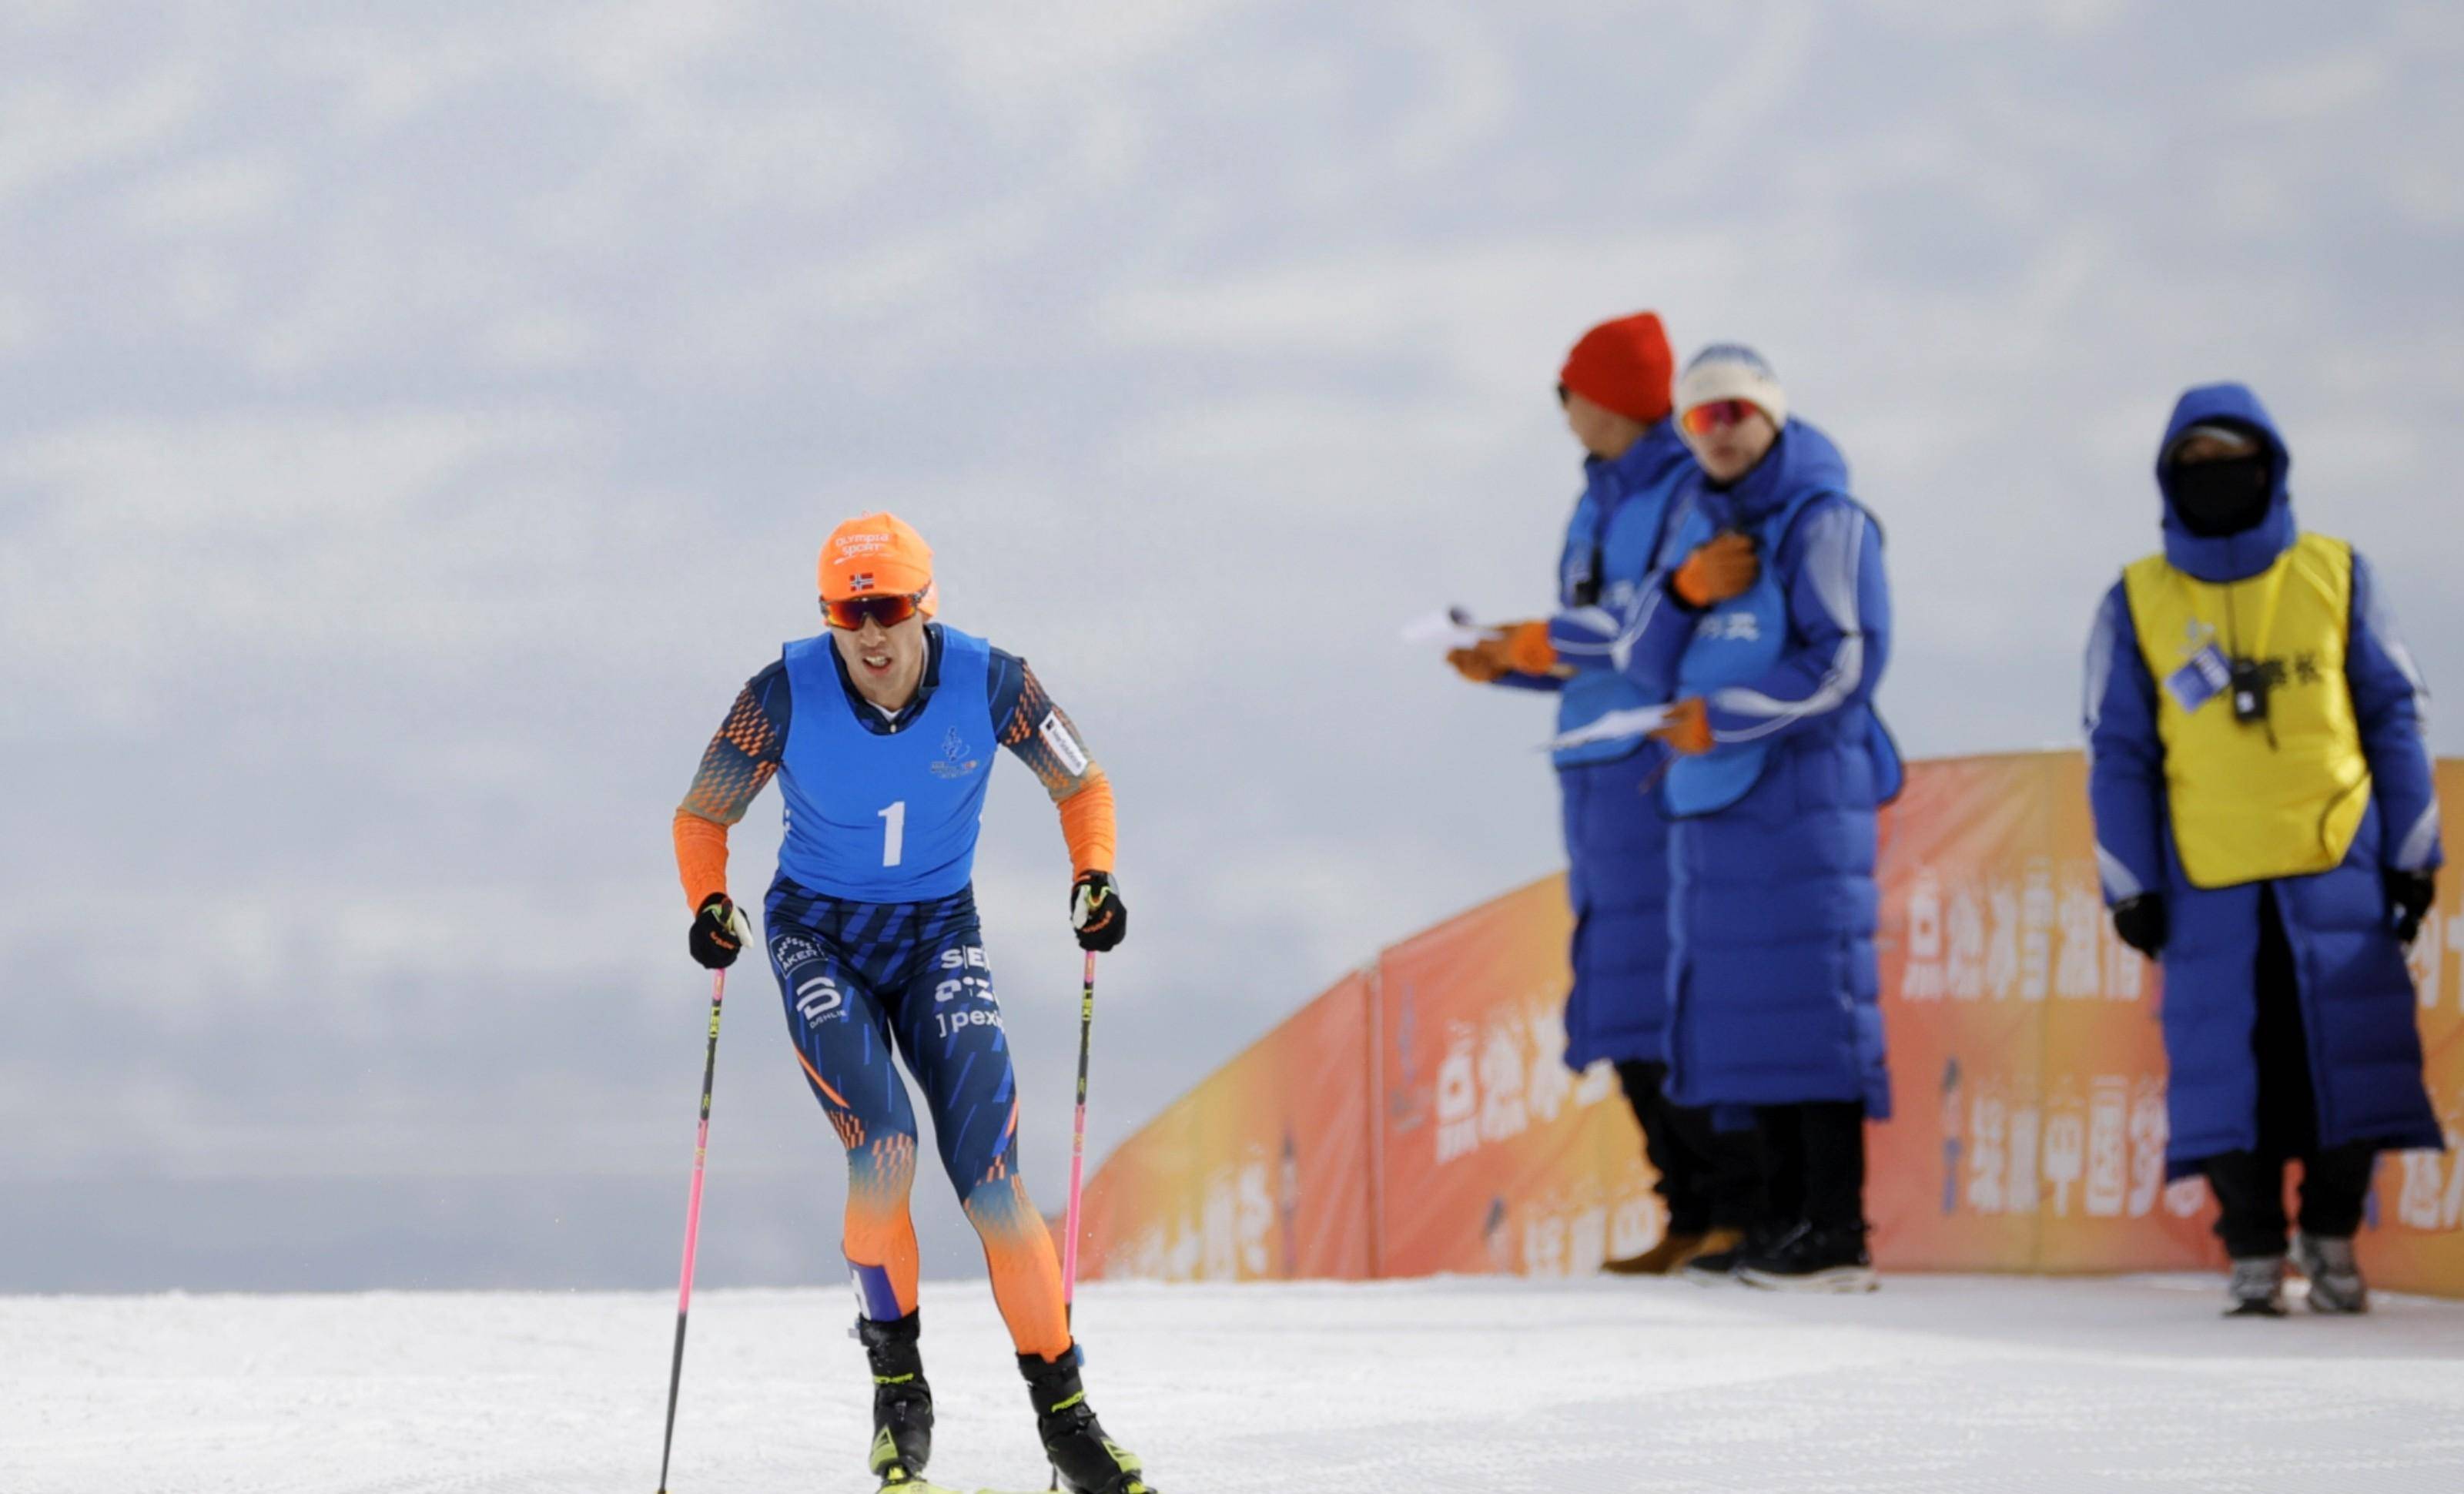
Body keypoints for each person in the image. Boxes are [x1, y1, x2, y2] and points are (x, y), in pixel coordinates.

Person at [671, 512, 1153, 1493]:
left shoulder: (992, 680)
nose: (871, 634)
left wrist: (1092, 877)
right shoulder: (781, 694)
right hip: (821, 936)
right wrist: (710, 903)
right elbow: (702, 812)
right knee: (883, 1146)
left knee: (989, 1178)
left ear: (925, 605)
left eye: (889, 607)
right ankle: (900, 1399)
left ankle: (1066, 1418)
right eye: (849, 613)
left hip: (937, 933)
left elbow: (1082, 782)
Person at [2084, 383, 2442, 1317]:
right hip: (2208, 881)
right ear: (2165, 480)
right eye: (2192, 465)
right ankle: (2249, 1245)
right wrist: (2129, 883)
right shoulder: (2135, 601)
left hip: (2337, 865)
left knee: (2345, 1060)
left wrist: (2411, 852)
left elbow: (2390, 715)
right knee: (2227, 1074)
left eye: (2231, 459)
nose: (2215, 479)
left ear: (2271, 466)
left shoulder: (2337, 573)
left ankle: (2329, 1230)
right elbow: (2118, 750)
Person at [1446, 312, 1760, 1275]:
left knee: (1668, 987)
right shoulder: (1594, 500)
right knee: (1618, 990)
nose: (1561, 408)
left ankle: (1729, 1208)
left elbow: (1643, 623)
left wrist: (1538, 637)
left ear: (1612, 399)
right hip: (1590, 769)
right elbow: (1593, 647)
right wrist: (1509, 661)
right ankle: (1685, 1207)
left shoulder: (1681, 491)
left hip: (1651, 766)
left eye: (1570, 389)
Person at [1618, 344, 1900, 1291]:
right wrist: (1685, 590)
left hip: (1802, 807)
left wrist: (1727, 716)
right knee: (1744, 1022)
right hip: (1713, 812)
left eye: (1737, 410)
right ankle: (1775, 1219)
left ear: (1773, 417)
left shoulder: (1826, 519)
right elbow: (1638, 658)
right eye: (1700, 417)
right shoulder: (1696, 522)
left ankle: (1832, 1227)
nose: (1722, 430)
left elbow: (1845, 662)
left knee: (1811, 1013)